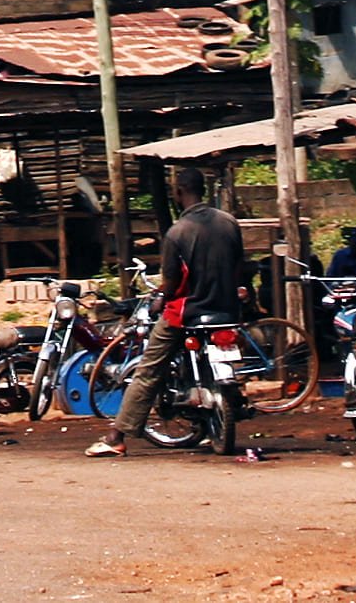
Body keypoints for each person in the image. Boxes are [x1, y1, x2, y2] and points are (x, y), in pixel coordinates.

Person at [88, 165, 250, 458]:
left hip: (189, 311)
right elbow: (240, 267)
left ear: (179, 192)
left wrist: (160, 298)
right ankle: (222, 410)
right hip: (227, 310)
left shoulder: (178, 232)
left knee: (149, 369)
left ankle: (116, 436)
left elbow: (173, 281)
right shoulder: (229, 222)